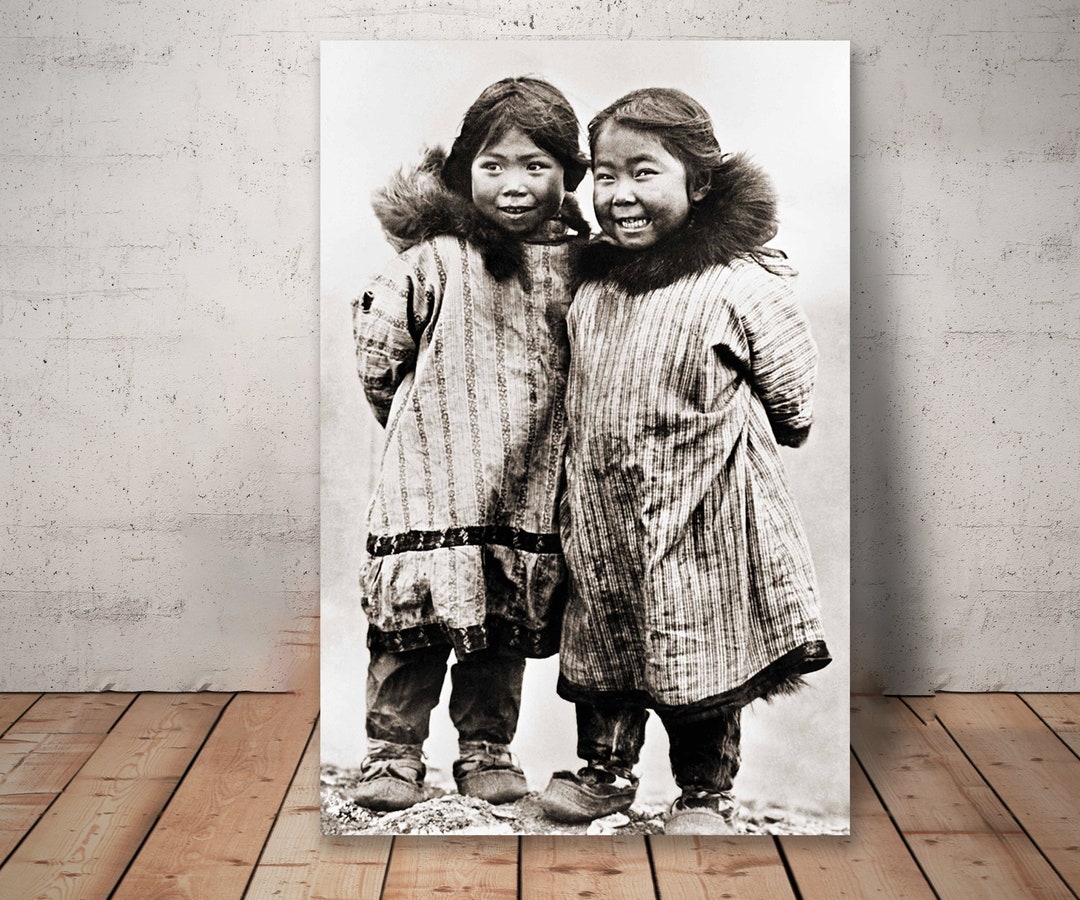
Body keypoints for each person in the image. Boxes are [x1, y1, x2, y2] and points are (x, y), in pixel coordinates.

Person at [538, 87, 832, 834]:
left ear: (698, 184)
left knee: (700, 644)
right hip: (602, 512)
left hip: (705, 510)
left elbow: (792, 390)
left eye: (645, 172)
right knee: (604, 635)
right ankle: (605, 772)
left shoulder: (738, 283)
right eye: (605, 175)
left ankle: (705, 794)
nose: (622, 194)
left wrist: (780, 430)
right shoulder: (593, 285)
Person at [351, 77, 589, 811]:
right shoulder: (432, 260)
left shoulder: (581, 269)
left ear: (569, 173)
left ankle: (487, 750)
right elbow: (379, 359)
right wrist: (425, 430)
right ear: (464, 170)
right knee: (410, 627)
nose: (514, 184)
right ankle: (392, 752)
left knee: (502, 628)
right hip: (430, 480)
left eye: (536, 165)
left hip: (526, 488)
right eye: (494, 164)